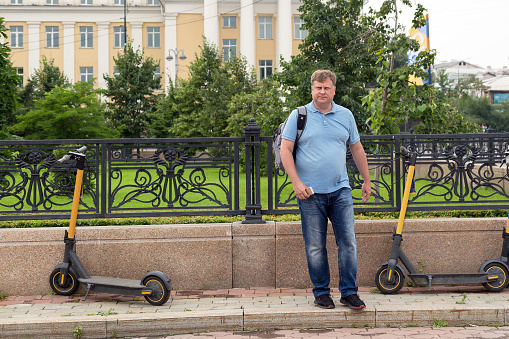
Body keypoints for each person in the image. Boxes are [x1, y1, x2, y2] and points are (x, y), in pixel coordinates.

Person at [280, 69, 371, 310]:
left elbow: (357, 148)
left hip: (340, 190)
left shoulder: (346, 115)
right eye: (318, 87)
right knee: (315, 246)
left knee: (348, 243)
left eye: (327, 87)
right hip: (309, 193)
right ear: (312, 89)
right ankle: (321, 293)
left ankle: (349, 293)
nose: (322, 91)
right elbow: (285, 150)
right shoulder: (299, 115)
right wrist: (296, 183)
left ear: (333, 90)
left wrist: (367, 180)